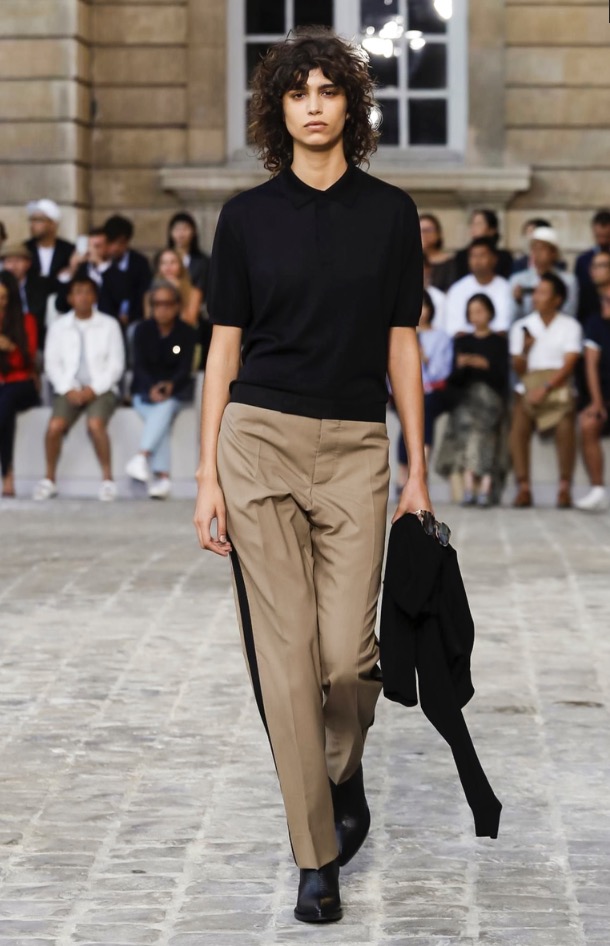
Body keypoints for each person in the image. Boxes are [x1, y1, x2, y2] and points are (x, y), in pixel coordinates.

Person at [193, 27, 429, 924]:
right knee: (287, 662)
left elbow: (402, 344)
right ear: (278, 108)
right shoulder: (246, 218)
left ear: (351, 106)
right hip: (257, 442)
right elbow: (223, 350)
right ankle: (315, 855)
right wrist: (208, 475)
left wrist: (417, 469)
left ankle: (340, 769)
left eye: (330, 91)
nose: (315, 105)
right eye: (299, 92)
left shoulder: (392, 213)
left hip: (358, 447)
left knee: (348, 662)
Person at [33, 275, 125, 502]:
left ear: (95, 297)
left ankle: (107, 481)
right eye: (78, 292)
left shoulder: (109, 324)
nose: (83, 297)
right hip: (69, 389)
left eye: (87, 292)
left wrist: (93, 389)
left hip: (101, 390)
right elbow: (51, 365)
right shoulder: (58, 326)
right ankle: (49, 480)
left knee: (95, 425)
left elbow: (116, 365)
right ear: (70, 298)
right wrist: (68, 389)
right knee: (54, 426)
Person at [509, 272, 582, 509]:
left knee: (566, 427)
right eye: (535, 292)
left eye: (542, 292)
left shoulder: (570, 326)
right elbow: (518, 368)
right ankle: (524, 488)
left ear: (557, 299)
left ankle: (564, 488)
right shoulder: (522, 326)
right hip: (528, 388)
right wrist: (525, 350)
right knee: (517, 428)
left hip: (557, 388)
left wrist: (546, 388)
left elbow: (569, 364)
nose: (535, 297)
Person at [435, 294, 509, 507]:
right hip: (465, 399)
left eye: (479, 311)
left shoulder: (499, 342)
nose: (475, 316)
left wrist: (485, 365)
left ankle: (478, 487)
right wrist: (462, 365)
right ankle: (477, 486)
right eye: (471, 312)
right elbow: (454, 381)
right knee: (469, 429)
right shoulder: (462, 341)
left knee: (482, 429)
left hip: (489, 399)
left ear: (490, 313)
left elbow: (502, 379)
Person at [126, 280, 197, 499]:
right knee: (161, 419)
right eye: (157, 304)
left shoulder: (187, 332)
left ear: (177, 306)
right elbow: (139, 366)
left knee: (164, 408)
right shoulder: (141, 330)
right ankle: (163, 479)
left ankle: (142, 456)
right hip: (144, 392)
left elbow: (185, 367)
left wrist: (170, 385)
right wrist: (151, 388)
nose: (162, 309)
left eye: (167, 304)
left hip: (175, 392)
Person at [395, 290, 452, 492]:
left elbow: (440, 372)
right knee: (407, 417)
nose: (420, 310)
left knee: (422, 413)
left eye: (424, 305)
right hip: (403, 392)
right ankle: (405, 473)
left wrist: (423, 357)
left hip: (431, 391)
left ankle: (418, 471)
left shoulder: (441, 337)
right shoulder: (399, 335)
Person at [0, 271, 39, 497]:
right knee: (5, 412)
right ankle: (8, 473)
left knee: (6, 401)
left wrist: (10, 349)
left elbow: (27, 361)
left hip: (21, 383)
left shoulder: (27, 321)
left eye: (4, 297)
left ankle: (7, 473)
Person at [575, 289, 610, 511]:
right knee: (588, 423)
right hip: (603, 396)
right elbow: (590, 365)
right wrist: (597, 402)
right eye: (604, 299)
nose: (605, 304)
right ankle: (597, 489)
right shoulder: (595, 323)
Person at [445, 237, 512, 336]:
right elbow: (454, 329)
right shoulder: (457, 289)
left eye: (482, 255)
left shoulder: (506, 288)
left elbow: (503, 328)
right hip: (465, 343)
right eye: (473, 256)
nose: (477, 260)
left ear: (494, 259)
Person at [56, 228, 128, 320]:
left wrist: (100, 264)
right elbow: (60, 305)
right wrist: (72, 268)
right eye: (89, 246)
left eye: (97, 246)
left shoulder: (118, 272)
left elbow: (119, 298)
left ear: (108, 247)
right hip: (77, 320)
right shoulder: (80, 270)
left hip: (106, 321)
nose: (91, 251)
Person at [509, 226, 578, 322]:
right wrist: (518, 302)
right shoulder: (518, 280)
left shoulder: (568, 281)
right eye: (534, 249)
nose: (537, 253)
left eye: (542, 249)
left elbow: (569, 315)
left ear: (553, 253)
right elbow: (513, 320)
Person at [103, 215, 152, 327]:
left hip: (134, 319)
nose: (116, 247)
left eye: (121, 242)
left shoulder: (140, 263)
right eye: (112, 242)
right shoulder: (101, 261)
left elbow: (144, 294)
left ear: (127, 242)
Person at [0, 243, 50, 353]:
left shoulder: (41, 285)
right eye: (8, 261)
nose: (13, 266)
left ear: (28, 263)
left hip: (36, 339)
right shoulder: (1, 287)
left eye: (18, 261)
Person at [24, 199, 74, 290]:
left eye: (38, 220)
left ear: (53, 224)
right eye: (32, 220)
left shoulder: (69, 250)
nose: (32, 225)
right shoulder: (25, 249)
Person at [145, 249, 201, 328]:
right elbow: (148, 320)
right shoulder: (151, 292)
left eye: (173, 262)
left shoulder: (194, 292)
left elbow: (190, 321)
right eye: (164, 263)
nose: (168, 267)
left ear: (181, 266)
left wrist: (179, 291)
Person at [453, 209, 513, 282]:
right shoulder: (461, 256)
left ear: (492, 229)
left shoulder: (504, 257)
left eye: (479, 224)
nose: (474, 227)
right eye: (472, 223)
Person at [575, 208, 610, 324]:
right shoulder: (583, 260)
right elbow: (580, 294)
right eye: (599, 236)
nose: (602, 241)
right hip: (590, 317)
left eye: (606, 236)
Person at [167, 211, 210, 294]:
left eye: (185, 229)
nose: (181, 234)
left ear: (193, 232)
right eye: (177, 229)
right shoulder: (162, 258)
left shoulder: (203, 262)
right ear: (170, 232)